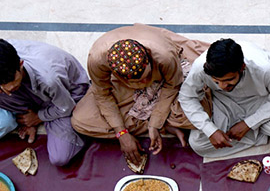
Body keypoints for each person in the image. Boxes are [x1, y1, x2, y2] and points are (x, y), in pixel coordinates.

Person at [71, 24, 209, 165]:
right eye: (139, 80)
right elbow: (103, 95)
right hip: (126, 88)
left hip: (166, 79)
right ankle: (165, 123)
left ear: (148, 59)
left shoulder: (163, 56)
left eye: (146, 76)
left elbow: (171, 86)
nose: (145, 82)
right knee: (80, 121)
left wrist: (155, 124)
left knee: (200, 113)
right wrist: (122, 134)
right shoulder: (97, 60)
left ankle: (156, 122)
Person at [178, 38, 270, 157]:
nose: (223, 86)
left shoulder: (263, 69)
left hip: (260, 101)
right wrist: (211, 130)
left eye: (229, 80)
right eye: (216, 82)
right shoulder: (201, 68)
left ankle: (248, 133)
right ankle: (259, 133)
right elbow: (186, 97)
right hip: (224, 102)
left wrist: (248, 124)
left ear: (242, 67)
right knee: (198, 144)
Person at [0, 39, 87, 166]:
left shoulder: (49, 79)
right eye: (2, 84)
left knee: (60, 157)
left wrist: (38, 117)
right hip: (35, 90)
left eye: (12, 79)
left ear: (21, 64)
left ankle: (34, 116)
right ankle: (26, 115)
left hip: (66, 96)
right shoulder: (5, 57)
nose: (8, 88)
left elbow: (67, 107)